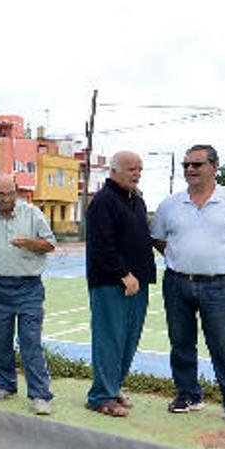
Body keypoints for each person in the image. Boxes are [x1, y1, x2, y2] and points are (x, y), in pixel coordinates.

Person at [152, 144, 225, 431]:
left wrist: (224, 263)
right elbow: (158, 239)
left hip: (218, 287)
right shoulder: (170, 205)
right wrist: (181, 260)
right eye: (186, 165)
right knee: (181, 344)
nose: (190, 169)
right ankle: (188, 396)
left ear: (214, 166)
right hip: (177, 284)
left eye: (197, 164)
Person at [0, 174, 57, 415]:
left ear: (17, 192)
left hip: (29, 287)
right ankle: (5, 385)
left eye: (10, 193)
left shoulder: (33, 214)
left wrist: (30, 243)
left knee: (30, 341)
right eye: (0, 194)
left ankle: (40, 394)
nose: (6, 198)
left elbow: (50, 244)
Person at [85, 151, 156, 417]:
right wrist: (123, 273)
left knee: (128, 339)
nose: (136, 173)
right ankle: (100, 396)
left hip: (139, 283)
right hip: (111, 283)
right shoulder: (104, 201)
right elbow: (103, 244)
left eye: (139, 169)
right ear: (113, 172)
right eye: (131, 169)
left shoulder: (136, 199)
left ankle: (113, 388)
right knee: (110, 339)